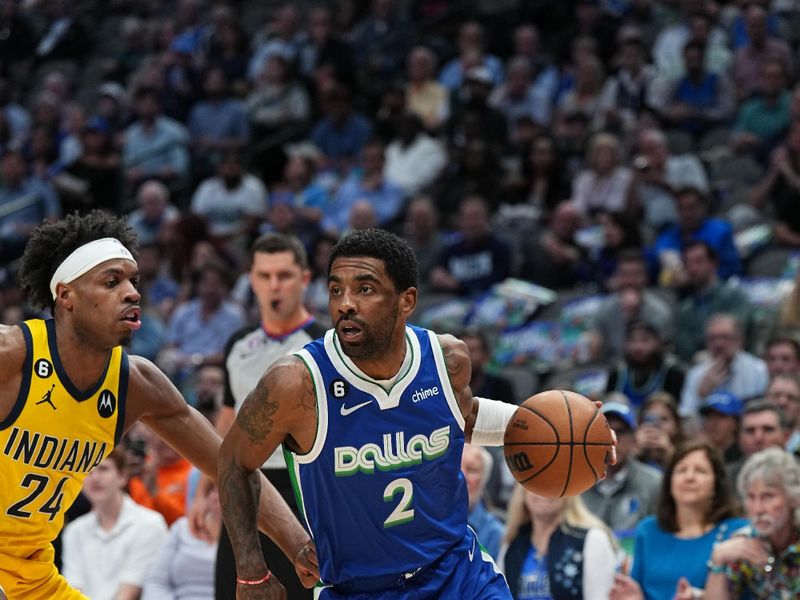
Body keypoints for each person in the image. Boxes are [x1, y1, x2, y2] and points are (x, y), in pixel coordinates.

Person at [218, 229, 615, 598]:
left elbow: (466, 416)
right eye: (335, 290)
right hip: (358, 587)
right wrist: (251, 568)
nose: (346, 304)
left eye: (365, 289)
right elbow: (234, 463)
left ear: (406, 300)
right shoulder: (296, 383)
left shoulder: (446, 358)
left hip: (457, 574)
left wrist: (581, 431)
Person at [0, 211, 316, 598]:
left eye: (134, 280)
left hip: (32, 578)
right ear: (66, 296)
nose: (132, 292)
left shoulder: (136, 383)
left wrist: (299, 544)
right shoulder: (12, 354)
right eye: (112, 282)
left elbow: (231, 464)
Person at [205, 233, 325, 599]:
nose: (275, 285)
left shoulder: (326, 344)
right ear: (252, 280)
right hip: (245, 487)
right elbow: (226, 422)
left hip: (307, 488)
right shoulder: (238, 345)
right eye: (265, 275)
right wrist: (206, 493)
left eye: (285, 275)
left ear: (304, 279)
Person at [610, 441, 747, 600]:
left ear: (717, 482)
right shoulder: (648, 530)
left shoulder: (738, 532)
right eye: (681, 470)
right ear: (669, 481)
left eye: (700, 471)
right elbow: (636, 591)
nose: (689, 477)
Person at [61, 448, 168, 598]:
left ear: (123, 476)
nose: (95, 478)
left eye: (103, 469)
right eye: (88, 472)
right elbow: (74, 589)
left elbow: (128, 594)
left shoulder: (150, 524)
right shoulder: (74, 530)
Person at [704, 447, 800, 599]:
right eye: (750, 497)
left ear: (793, 498)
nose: (758, 509)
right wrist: (718, 559)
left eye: (768, 496)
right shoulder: (743, 542)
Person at [500, 486, 617, 600]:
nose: (543, 492)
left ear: (568, 491)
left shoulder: (592, 539)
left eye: (552, 483)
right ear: (523, 491)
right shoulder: (511, 546)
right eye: (536, 484)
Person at [142, 481, 222, 600]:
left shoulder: (244, 536)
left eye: (220, 490)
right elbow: (155, 581)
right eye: (212, 490)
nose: (216, 496)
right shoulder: (181, 528)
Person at [461, 444, 505, 561]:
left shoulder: (497, 535)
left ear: (484, 479)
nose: (462, 477)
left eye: (472, 470)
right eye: (456, 468)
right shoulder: (425, 522)